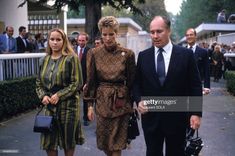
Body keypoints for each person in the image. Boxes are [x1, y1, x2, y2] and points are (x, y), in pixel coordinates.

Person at [133, 16, 202, 156]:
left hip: (177, 119)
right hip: (151, 118)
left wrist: (195, 113)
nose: (155, 36)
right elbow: (136, 83)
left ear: (169, 31)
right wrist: (139, 100)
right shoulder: (143, 56)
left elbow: (195, 85)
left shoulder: (186, 55)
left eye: (159, 31)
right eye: (152, 32)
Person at [84, 16, 136, 156]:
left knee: (117, 144)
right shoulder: (93, 53)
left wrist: (131, 103)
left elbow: (132, 81)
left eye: (111, 34)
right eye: (104, 34)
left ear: (116, 33)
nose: (108, 38)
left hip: (121, 102)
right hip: (102, 102)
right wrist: (89, 105)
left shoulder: (128, 54)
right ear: (101, 34)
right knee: (104, 144)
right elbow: (91, 80)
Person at [36, 28, 84, 156]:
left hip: (68, 107)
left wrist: (59, 95)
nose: (55, 42)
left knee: (68, 141)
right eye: (52, 39)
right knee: (49, 142)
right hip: (49, 107)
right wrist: (43, 96)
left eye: (58, 39)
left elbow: (77, 83)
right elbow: (38, 83)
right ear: (48, 41)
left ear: (64, 41)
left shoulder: (71, 59)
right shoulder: (43, 60)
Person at [185, 28, 210, 95]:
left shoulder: (203, 52)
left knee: (195, 105)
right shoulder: (181, 51)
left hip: (197, 86)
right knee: (182, 105)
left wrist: (207, 86)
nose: (189, 36)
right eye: (187, 35)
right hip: (183, 86)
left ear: (195, 36)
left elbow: (206, 70)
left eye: (191, 35)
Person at [76, 32, 91, 126]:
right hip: (75, 79)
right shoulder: (72, 50)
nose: (81, 42)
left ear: (86, 41)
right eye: (79, 40)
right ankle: (74, 118)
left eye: (83, 40)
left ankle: (86, 118)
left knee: (86, 99)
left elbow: (91, 68)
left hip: (85, 79)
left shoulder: (90, 51)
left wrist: (88, 81)